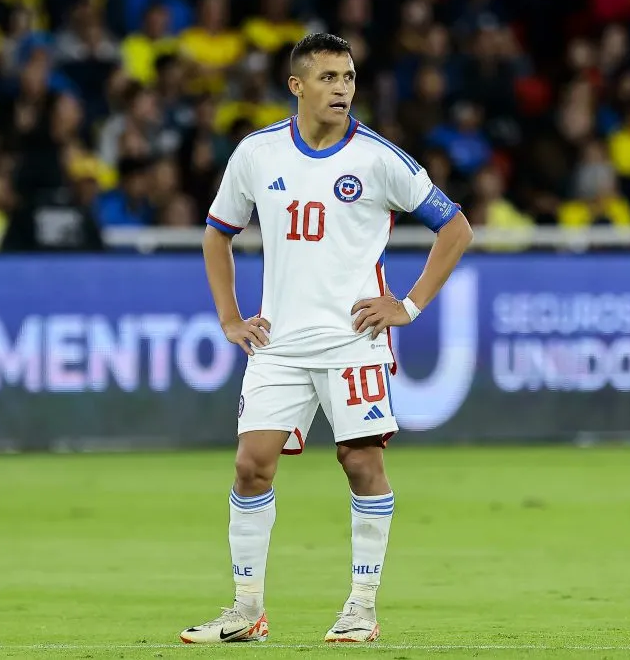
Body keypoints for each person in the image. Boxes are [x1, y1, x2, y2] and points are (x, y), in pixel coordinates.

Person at [179, 33, 473, 644]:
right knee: (250, 468)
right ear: (298, 86)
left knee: (361, 463)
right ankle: (246, 610)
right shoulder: (257, 154)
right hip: (279, 345)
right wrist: (231, 319)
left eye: (349, 77)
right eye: (330, 77)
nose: (342, 88)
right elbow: (217, 233)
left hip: (352, 341)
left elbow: (456, 228)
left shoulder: (378, 158)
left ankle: (361, 607)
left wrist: (409, 306)